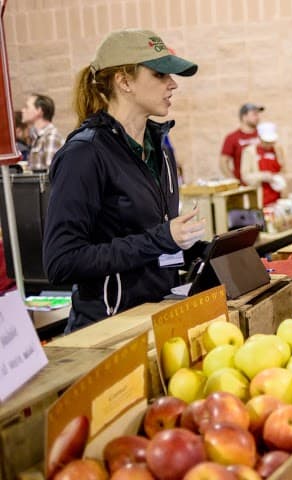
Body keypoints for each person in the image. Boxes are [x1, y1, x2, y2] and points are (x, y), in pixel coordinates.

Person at [43, 28, 207, 333]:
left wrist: (203, 251)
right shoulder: (85, 154)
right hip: (108, 331)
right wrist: (162, 238)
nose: (172, 84)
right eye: (160, 75)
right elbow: (62, 260)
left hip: (158, 320)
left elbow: (151, 241)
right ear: (124, 81)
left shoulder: (159, 148)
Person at [240, 121, 286, 206]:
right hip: (260, 199)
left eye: (271, 142)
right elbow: (245, 176)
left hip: (277, 198)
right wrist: (263, 176)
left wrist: (280, 179)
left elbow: (282, 169)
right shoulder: (249, 152)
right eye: (267, 142)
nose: (269, 145)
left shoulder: (277, 150)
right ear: (260, 138)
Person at [220, 102, 263, 182]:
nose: (258, 117)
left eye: (258, 114)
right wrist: (234, 181)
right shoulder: (232, 137)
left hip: (263, 185)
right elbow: (223, 162)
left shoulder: (263, 136)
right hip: (244, 186)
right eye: (254, 114)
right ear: (244, 117)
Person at [21, 93, 64, 171]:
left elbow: (51, 176)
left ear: (39, 111)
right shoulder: (38, 137)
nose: (23, 110)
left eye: (27, 107)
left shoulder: (51, 137)